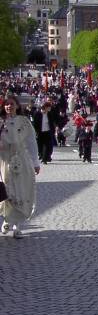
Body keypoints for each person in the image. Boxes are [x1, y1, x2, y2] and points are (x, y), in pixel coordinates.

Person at [0, 95, 41, 239]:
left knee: (21, 191)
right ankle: (7, 220)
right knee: (6, 191)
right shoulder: (1, 122)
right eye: (6, 104)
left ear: (17, 106)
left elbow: (31, 142)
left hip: (21, 160)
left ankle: (17, 225)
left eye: (11, 104)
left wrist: (35, 162)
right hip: (4, 161)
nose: (9, 107)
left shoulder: (24, 122)